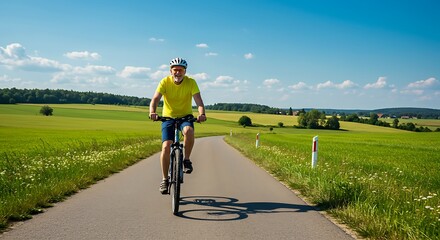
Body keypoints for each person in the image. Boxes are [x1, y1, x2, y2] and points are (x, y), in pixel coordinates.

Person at [149, 57, 207, 194]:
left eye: (180, 70)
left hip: (185, 116)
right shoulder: (164, 82)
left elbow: (198, 101)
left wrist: (202, 114)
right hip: (168, 117)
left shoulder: (191, 82)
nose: (177, 73)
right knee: (165, 146)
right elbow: (156, 99)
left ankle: (186, 160)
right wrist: (152, 111)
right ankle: (164, 180)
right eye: (175, 70)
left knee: (188, 131)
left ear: (185, 72)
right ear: (171, 71)